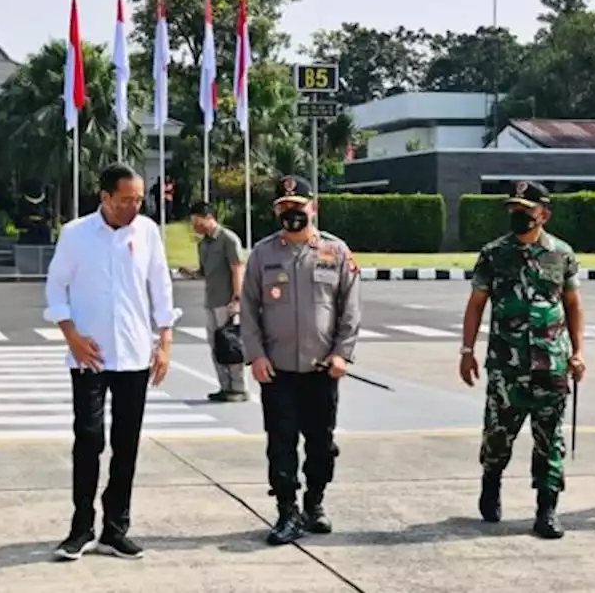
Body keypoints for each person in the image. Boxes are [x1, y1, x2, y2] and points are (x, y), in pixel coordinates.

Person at [44, 163, 177, 562]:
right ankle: (80, 527)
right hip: (91, 357)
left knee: (126, 444)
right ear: (104, 197)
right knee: (88, 440)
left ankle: (115, 529)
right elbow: (56, 285)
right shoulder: (75, 234)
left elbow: (160, 285)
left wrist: (165, 339)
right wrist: (71, 335)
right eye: (125, 200)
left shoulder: (147, 231)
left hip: (135, 354)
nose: (132, 207)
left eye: (138, 199)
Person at [459, 181, 583, 540]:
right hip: (506, 365)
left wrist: (577, 352)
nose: (517, 215)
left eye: (525, 211)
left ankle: (546, 509)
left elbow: (572, 305)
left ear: (543, 213)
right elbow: (476, 304)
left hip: (552, 365)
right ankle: (491, 481)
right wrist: (467, 351)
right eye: (513, 209)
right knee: (499, 436)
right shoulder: (494, 254)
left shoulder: (562, 254)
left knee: (550, 440)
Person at [240, 175, 360, 546]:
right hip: (277, 371)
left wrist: (342, 354)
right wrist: (255, 356)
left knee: (321, 444)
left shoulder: (336, 252)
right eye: (283, 207)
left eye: (298, 206)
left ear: (313, 207)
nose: (291, 212)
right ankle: (286, 511)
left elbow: (350, 310)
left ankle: (315, 503)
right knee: (281, 443)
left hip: (322, 370)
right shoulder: (262, 254)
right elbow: (247, 309)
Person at [181, 200, 247, 402]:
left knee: (231, 344)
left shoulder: (228, 239)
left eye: (198, 221)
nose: (195, 226)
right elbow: (204, 272)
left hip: (226, 301)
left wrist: (237, 298)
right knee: (216, 345)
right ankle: (224, 386)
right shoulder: (203, 244)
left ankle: (238, 387)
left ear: (210, 218)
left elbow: (237, 268)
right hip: (210, 300)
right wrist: (191, 273)